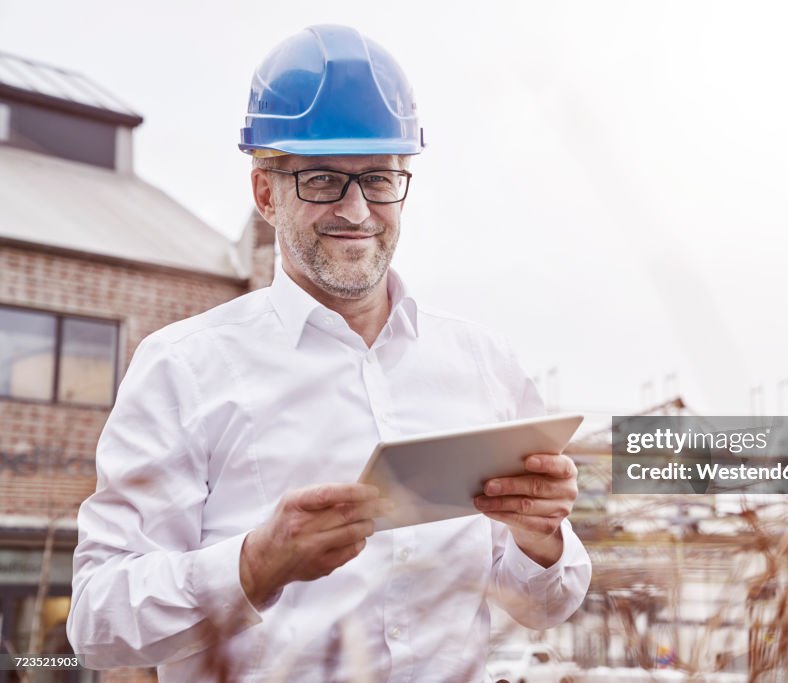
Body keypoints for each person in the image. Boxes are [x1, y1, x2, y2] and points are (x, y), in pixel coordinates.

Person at [66, 25, 591, 682]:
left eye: (377, 179)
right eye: (321, 180)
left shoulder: (484, 364)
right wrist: (254, 564)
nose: (356, 209)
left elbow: (548, 605)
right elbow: (96, 624)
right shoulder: (182, 369)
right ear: (265, 193)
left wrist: (539, 539)